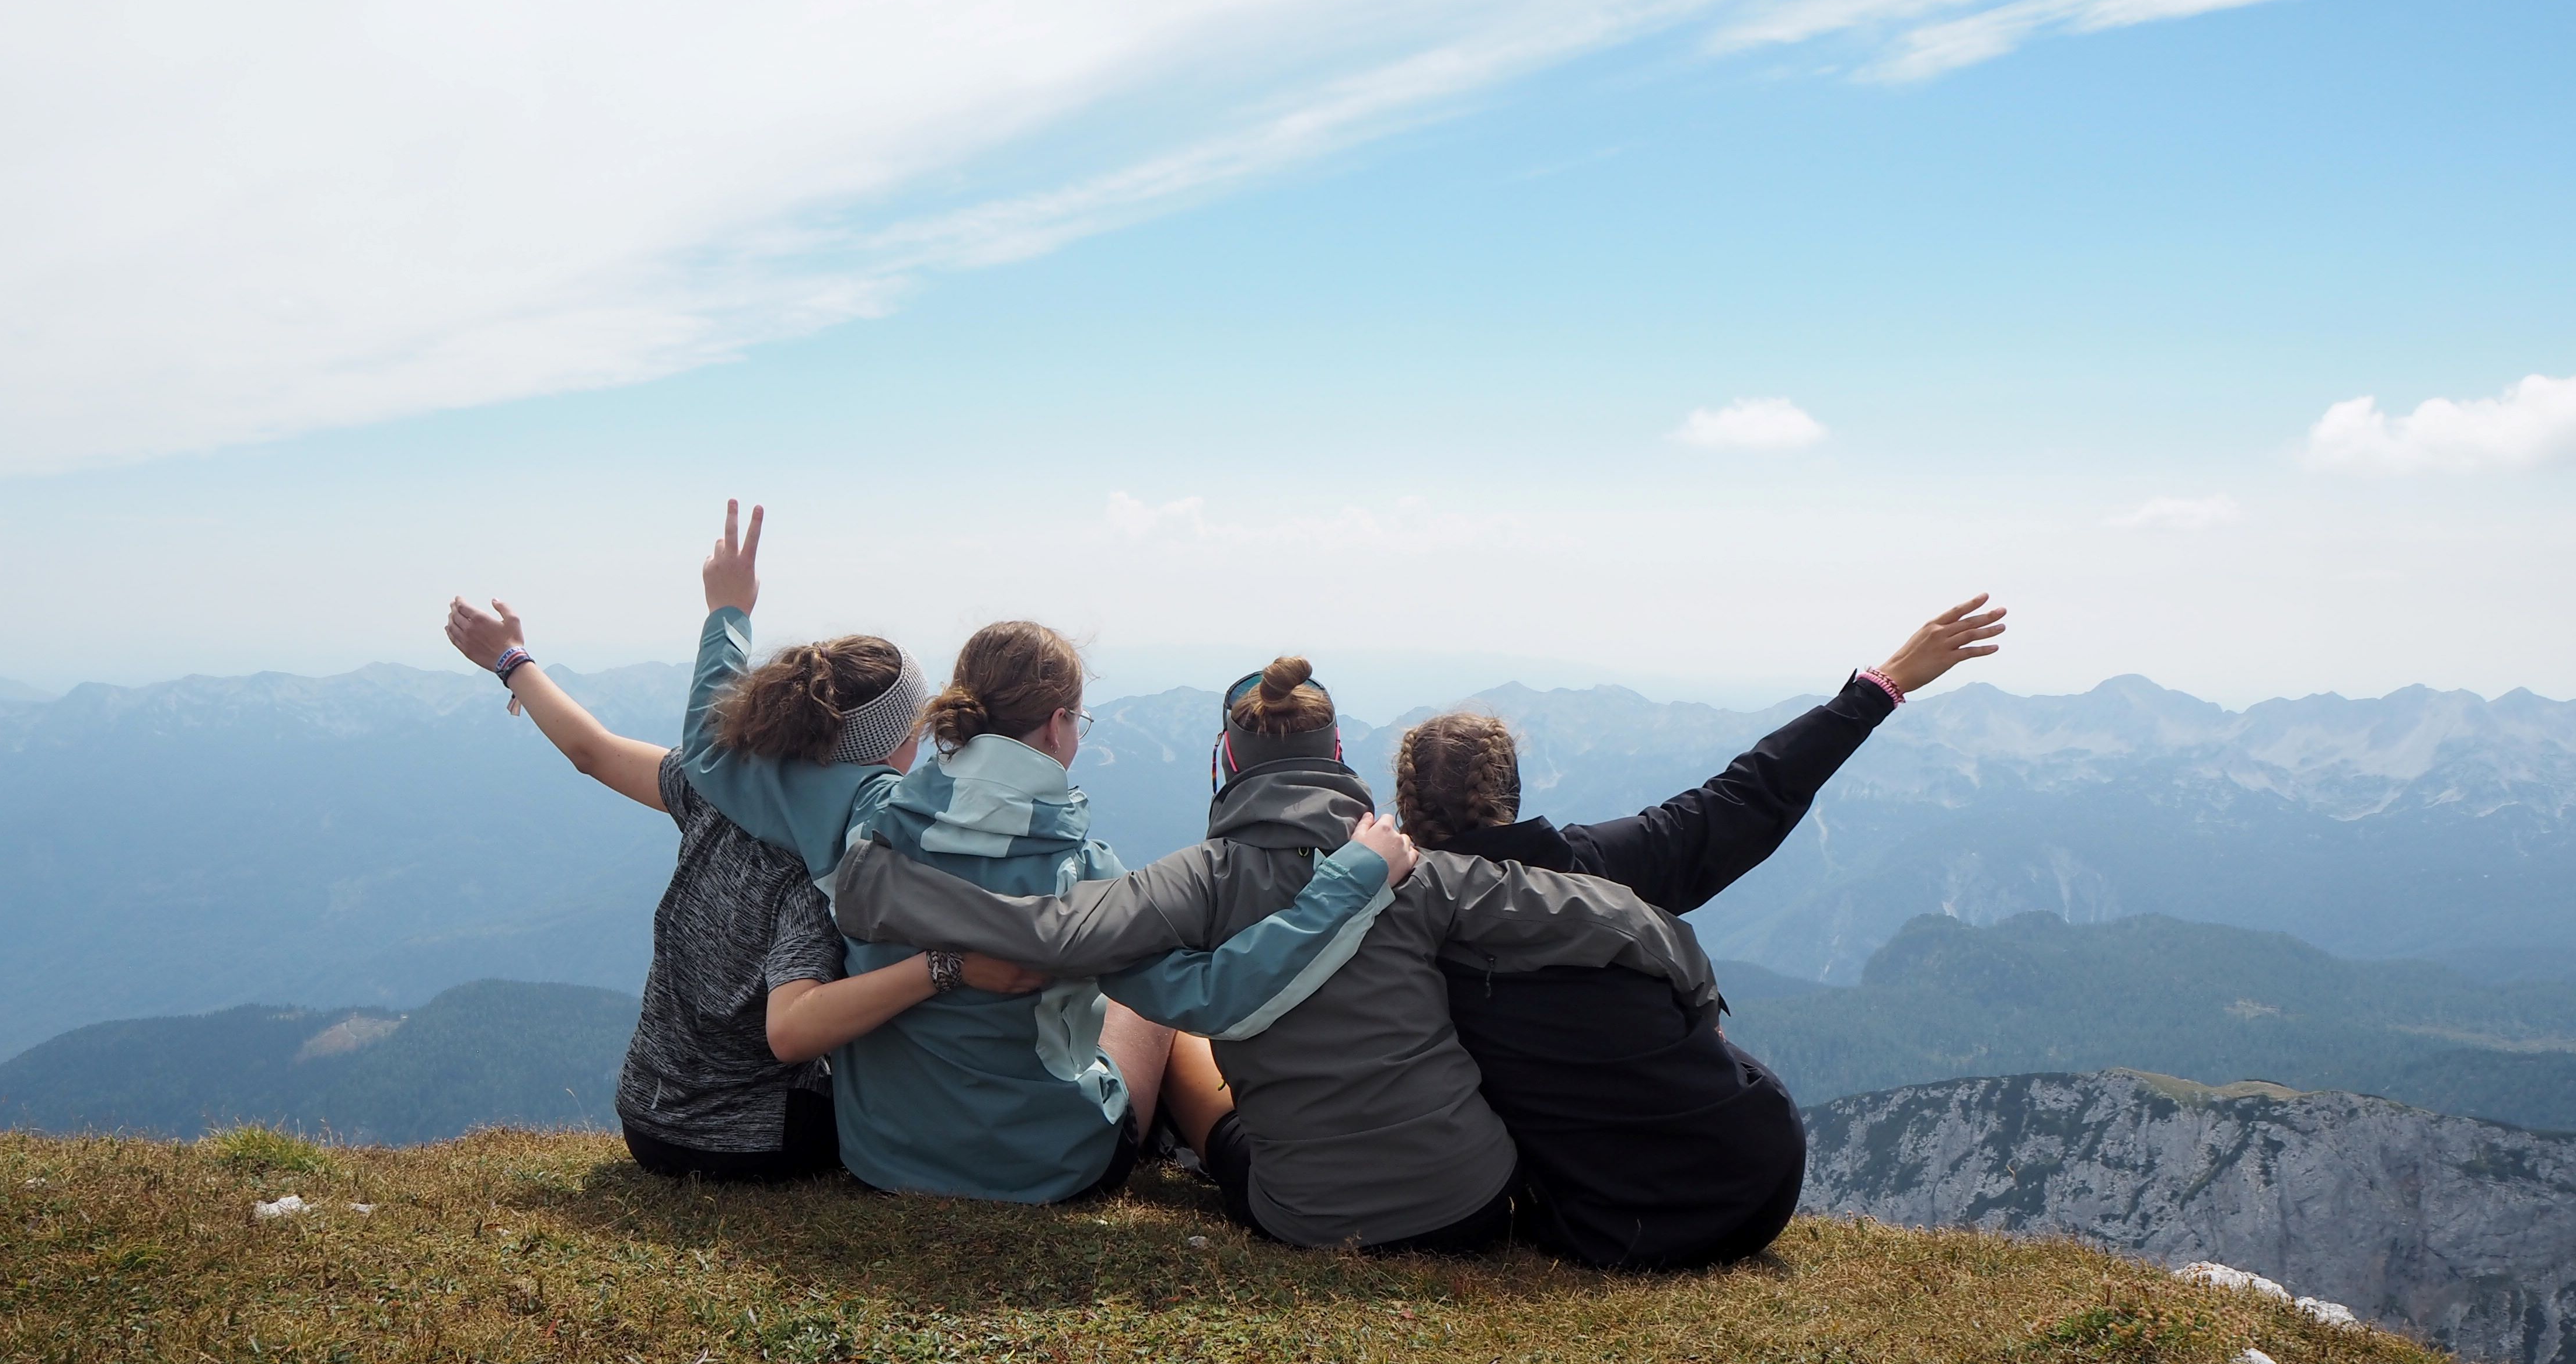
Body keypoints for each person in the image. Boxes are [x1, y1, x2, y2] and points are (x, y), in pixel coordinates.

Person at [825, 655, 1720, 1253]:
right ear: (1338, 754)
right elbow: (1601, 913)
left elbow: (1051, 933)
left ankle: (1188, 1147)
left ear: (1227, 760)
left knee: (1195, 1068)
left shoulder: (1199, 881)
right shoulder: (1423, 871)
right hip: (1473, 1203)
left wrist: (883, 892)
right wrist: (1689, 970)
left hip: (1308, 1217)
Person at [672, 503, 1420, 1205]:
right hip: (1048, 1168)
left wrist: (728, 612)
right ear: (1060, 726)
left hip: (881, 1155)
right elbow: (1221, 996)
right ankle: (1210, 1148)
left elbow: (709, 748)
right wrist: (1356, 876)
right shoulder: (1088, 882)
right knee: (1157, 1012)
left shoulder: (867, 819)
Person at [1386, 594, 2010, 1268]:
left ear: (1404, 807)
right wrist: (1880, 687)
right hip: (1752, 1183)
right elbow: (1752, 792)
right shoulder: (1608, 867)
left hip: (1599, 1223)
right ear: (1511, 790)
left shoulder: (1386, 921)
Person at [440, 592, 1048, 1182]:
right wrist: (947, 967)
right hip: (751, 1138)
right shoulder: (821, 865)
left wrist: (512, 660)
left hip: (647, 1115)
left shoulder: (714, 789)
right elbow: (791, 1031)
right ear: (891, 748)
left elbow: (591, 752)